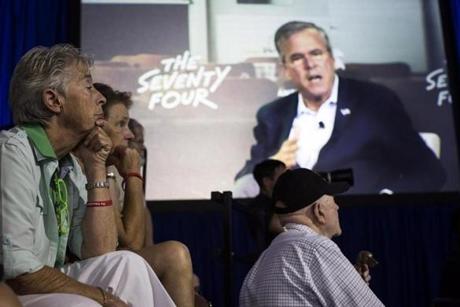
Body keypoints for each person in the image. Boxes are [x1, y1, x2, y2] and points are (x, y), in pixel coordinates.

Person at [0, 44, 174, 306]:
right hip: (11, 290)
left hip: (39, 283)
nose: (100, 98)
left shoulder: (67, 162)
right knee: (85, 304)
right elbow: (19, 271)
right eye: (88, 86)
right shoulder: (12, 153)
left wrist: (96, 167)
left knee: (128, 263)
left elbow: (100, 252)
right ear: (53, 100)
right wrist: (103, 297)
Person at [235, 21, 445, 195]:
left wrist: (384, 201)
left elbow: (429, 171)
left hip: (362, 219)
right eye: (297, 58)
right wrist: (273, 165)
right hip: (294, 229)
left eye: (316, 53)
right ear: (286, 70)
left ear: (332, 59)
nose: (310, 64)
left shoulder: (375, 102)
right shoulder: (272, 114)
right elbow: (242, 184)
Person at [92, 83, 196, 307]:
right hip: (93, 266)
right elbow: (131, 242)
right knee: (174, 254)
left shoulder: (111, 170)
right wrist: (133, 175)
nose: (129, 134)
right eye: (121, 124)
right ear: (98, 127)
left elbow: (138, 243)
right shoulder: (99, 169)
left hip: (117, 263)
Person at [239, 168, 384, 306]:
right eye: (334, 202)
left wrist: (351, 285)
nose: (338, 208)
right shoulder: (316, 249)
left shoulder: (261, 263)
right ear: (319, 211)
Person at [248, 159, 286, 253]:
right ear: (267, 181)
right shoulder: (260, 206)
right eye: (283, 177)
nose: (288, 180)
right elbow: (280, 228)